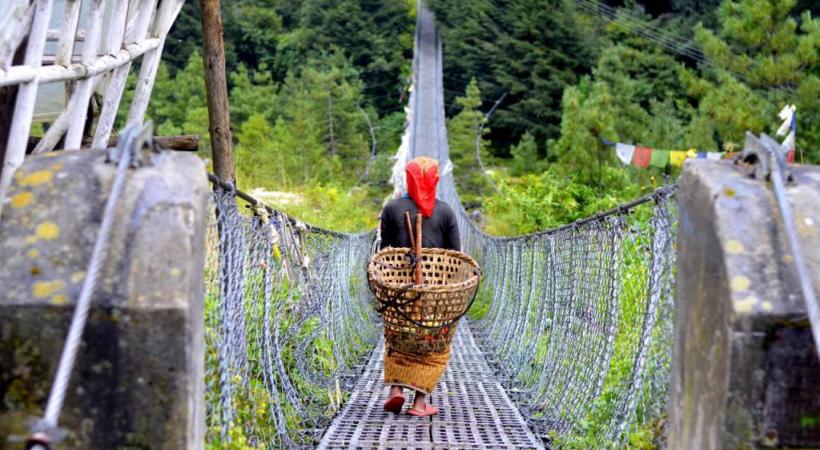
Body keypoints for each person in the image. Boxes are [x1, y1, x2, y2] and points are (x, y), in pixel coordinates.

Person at [378, 156, 461, 417]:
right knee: (432, 343)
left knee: (397, 335)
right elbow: (455, 255)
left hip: (399, 292)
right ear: (435, 180)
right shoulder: (445, 211)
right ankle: (419, 403)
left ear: (408, 179)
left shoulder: (391, 208)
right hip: (434, 296)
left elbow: (384, 251)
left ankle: (396, 390)